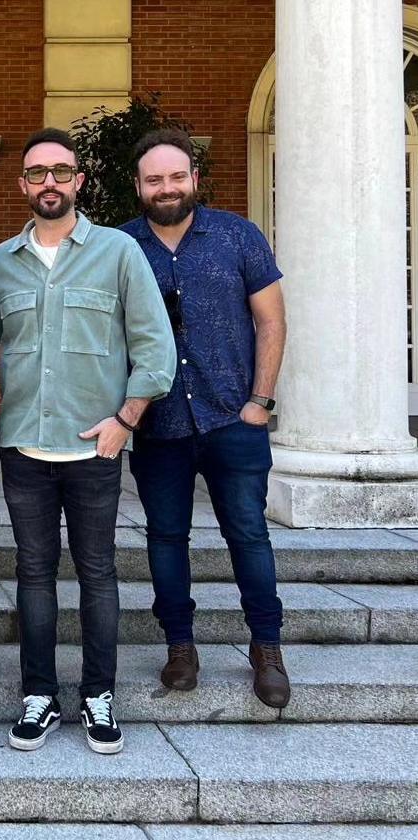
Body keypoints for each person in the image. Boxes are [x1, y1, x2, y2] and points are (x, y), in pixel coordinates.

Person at [0, 128, 175, 755]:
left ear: (79, 181)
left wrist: (127, 418)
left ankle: (97, 696)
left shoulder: (117, 252)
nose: (50, 183)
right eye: (37, 174)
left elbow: (155, 347)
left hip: (96, 450)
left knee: (97, 575)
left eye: (61, 171)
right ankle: (39, 695)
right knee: (33, 574)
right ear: (23, 185)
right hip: (25, 451)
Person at [120, 128, 290, 708]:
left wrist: (259, 403)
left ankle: (266, 646)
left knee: (248, 534)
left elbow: (271, 320)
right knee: (167, 538)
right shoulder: (121, 246)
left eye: (175, 176)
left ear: (194, 178)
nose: (166, 188)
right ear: (138, 186)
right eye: (153, 180)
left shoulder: (239, 237)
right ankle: (179, 646)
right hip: (158, 427)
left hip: (231, 420)